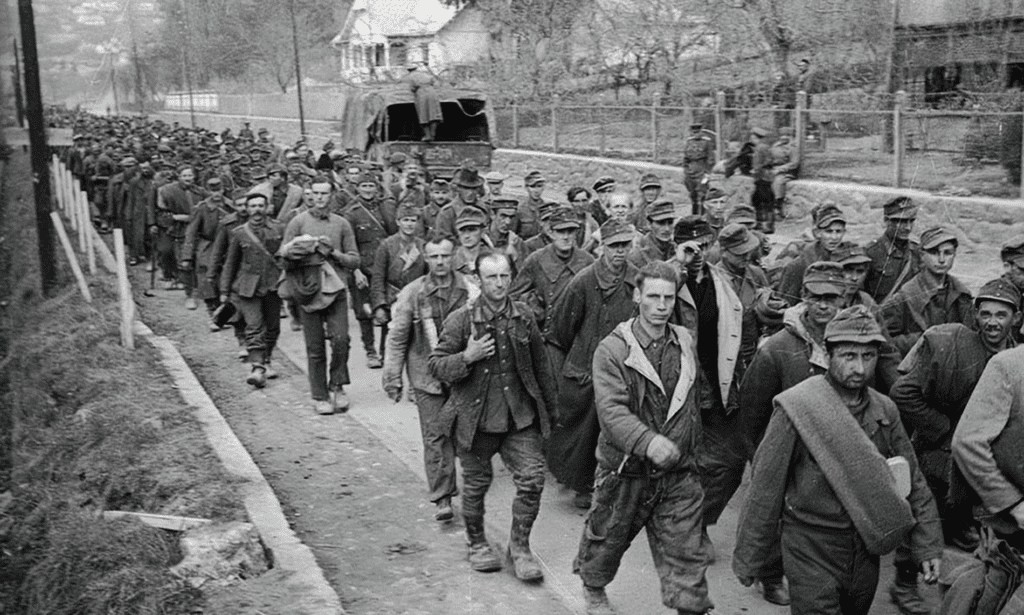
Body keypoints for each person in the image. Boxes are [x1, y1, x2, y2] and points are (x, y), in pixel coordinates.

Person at [734, 305, 943, 615]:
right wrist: (750, 556)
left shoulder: (884, 411)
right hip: (810, 544)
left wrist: (927, 545)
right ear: (827, 355)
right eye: (848, 356)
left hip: (866, 545)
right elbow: (766, 485)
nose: (859, 368)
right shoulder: (799, 407)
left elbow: (913, 481)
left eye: (868, 357)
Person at [573, 261, 713, 615]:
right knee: (607, 538)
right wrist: (649, 442)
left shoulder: (683, 340)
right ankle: (593, 588)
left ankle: (690, 606)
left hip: (678, 470)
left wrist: (693, 443)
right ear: (637, 297)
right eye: (653, 296)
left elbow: (694, 396)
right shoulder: (613, 350)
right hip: (626, 470)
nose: (662, 305)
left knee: (687, 551)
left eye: (668, 297)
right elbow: (613, 413)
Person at [887, 278, 1020, 614]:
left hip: (976, 462)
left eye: (1001, 315)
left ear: (1015, 319)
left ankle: (958, 582)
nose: (992, 322)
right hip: (936, 455)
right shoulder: (950, 344)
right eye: (985, 313)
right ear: (975, 315)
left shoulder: (1014, 359)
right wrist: (946, 433)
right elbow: (903, 393)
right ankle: (904, 580)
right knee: (920, 518)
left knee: (960, 521)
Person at [673, 216, 786, 604]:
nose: (700, 253)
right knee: (700, 460)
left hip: (739, 379)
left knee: (730, 461)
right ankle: (688, 528)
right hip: (696, 382)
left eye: (706, 246)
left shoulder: (749, 275)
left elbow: (757, 318)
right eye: (693, 247)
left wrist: (772, 310)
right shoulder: (687, 279)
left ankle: (697, 523)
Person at [428, 251, 559, 581]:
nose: (499, 284)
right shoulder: (461, 320)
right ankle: (476, 544)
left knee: (531, 480)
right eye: (491, 277)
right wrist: (467, 356)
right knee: (475, 486)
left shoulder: (524, 316)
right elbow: (437, 366)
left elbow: (542, 367)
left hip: (518, 417)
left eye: (504, 276)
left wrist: (551, 414)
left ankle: (519, 548)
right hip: (475, 420)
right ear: (478, 280)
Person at [382, 235, 478, 522]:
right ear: (426, 258)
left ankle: (471, 488)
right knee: (435, 436)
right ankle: (443, 496)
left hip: (464, 375)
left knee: (468, 435)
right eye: (434, 256)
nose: (440, 262)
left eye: (445, 256)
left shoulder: (470, 291)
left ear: (453, 257)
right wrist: (392, 376)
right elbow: (398, 337)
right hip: (428, 377)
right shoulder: (413, 293)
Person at [547, 219, 640, 509]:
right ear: (602, 247)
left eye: (625, 245)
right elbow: (560, 331)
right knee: (582, 435)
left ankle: (614, 485)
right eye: (614, 246)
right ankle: (583, 484)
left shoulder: (638, 281)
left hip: (624, 370)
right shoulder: (583, 282)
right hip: (585, 371)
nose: (620, 252)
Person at [281, 176, 361, 414]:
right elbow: (282, 256)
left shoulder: (341, 224)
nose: (319, 198)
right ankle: (319, 395)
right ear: (308, 195)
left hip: (336, 289)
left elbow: (355, 259)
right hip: (308, 290)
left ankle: (337, 385)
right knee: (315, 347)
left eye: (324, 193)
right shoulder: (297, 222)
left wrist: (333, 253)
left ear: (332, 195)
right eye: (315, 193)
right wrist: (300, 250)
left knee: (341, 340)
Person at [951, 340, 1024, 554]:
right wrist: (1012, 504)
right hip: (1011, 521)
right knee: (1002, 579)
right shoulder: (1008, 365)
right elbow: (968, 441)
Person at [219, 193, 285, 389]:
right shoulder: (239, 233)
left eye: (260, 206)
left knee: (273, 327)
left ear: (267, 208)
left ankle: (267, 359)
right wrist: (224, 290)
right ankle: (257, 367)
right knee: (254, 326)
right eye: (253, 206)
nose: (257, 209)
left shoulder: (279, 229)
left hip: (273, 285)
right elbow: (230, 263)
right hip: (247, 287)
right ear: (246, 209)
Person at [881, 225, 974, 356]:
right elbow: (885, 342)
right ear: (922, 255)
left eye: (947, 253)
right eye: (934, 252)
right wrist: (923, 339)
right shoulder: (905, 297)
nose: (941, 260)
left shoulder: (961, 294)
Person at [510, 206, 594, 342]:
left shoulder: (587, 261)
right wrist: (531, 311)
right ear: (551, 233)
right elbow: (513, 297)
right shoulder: (536, 260)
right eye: (561, 231)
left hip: (578, 336)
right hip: (546, 337)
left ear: (576, 233)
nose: (566, 237)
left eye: (571, 231)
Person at [341, 172, 398, 368]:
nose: (367, 190)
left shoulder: (384, 208)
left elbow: (393, 234)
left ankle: (385, 351)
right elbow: (348, 244)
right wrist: (355, 271)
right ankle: (370, 351)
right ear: (357, 188)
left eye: (371, 186)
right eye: (364, 186)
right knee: (364, 312)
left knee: (386, 309)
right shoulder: (351, 212)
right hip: (362, 270)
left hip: (383, 268)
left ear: (377, 188)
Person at [182, 177, 234, 319]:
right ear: (208, 191)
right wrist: (187, 255)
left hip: (229, 246)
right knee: (207, 276)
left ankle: (227, 312)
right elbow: (191, 232)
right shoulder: (202, 208)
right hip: (208, 245)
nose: (216, 194)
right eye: (213, 191)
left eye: (219, 190)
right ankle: (212, 310)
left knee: (228, 276)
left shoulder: (231, 206)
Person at [370, 203, 427, 333]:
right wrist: (379, 305)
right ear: (398, 222)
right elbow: (378, 277)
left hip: (416, 301)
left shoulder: (422, 246)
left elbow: (428, 276)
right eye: (405, 220)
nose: (409, 224)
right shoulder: (386, 245)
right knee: (390, 341)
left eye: (413, 220)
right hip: (392, 300)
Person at [156, 165, 207, 307]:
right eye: (184, 176)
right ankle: (189, 293)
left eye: (190, 175)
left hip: (198, 230)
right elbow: (162, 212)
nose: (188, 178)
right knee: (183, 260)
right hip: (178, 229)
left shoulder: (200, 192)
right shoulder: (168, 191)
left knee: (200, 260)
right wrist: (177, 218)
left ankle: (198, 289)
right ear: (179, 176)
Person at [776, 203, 847, 305]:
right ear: (817, 233)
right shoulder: (799, 265)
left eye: (838, 231)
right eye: (829, 231)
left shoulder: (847, 259)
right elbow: (785, 303)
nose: (834, 237)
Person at [864, 196, 920, 304]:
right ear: (886, 220)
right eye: (902, 221)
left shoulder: (918, 252)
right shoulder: (871, 253)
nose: (908, 227)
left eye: (911, 221)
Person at [434, 165, 486, 241]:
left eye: (474, 188)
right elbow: (444, 241)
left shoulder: (483, 208)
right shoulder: (447, 212)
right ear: (458, 189)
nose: (470, 193)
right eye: (466, 188)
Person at [627, 200, 677, 268]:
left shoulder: (674, 248)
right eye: (661, 223)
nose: (667, 229)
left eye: (670, 222)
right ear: (649, 224)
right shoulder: (639, 253)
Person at [403, 62, 443, 141]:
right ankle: (432, 135)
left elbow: (412, 88)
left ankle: (428, 135)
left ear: (408, 70)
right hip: (432, 92)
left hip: (421, 94)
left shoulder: (409, 77)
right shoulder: (425, 74)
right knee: (434, 114)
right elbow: (436, 82)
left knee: (423, 114)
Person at [683, 123, 715, 215]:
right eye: (694, 133)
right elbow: (685, 157)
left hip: (702, 169)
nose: (695, 134)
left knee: (702, 195)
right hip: (690, 171)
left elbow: (710, 158)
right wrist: (686, 170)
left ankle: (702, 216)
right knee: (693, 195)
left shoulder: (706, 142)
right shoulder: (689, 142)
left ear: (701, 132)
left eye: (697, 132)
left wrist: (707, 173)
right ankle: (694, 215)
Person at [768, 126, 799, 219]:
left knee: (778, 181)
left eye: (787, 135)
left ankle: (777, 207)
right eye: (782, 135)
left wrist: (780, 169)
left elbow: (794, 163)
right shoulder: (775, 146)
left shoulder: (792, 148)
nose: (784, 137)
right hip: (773, 169)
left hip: (787, 173)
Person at [451, 206, 489, 280]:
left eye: (472, 230)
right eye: (462, 230)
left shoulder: (492, 258)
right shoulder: (450, 261)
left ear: (483, 231)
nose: (467, 236)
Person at [516, 170, 545, 239]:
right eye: (533, 187)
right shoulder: (520, 210)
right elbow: (513, 235)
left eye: (539, 186)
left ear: (543, 188)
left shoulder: (547, 209)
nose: (536, 190)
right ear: (526, 188)